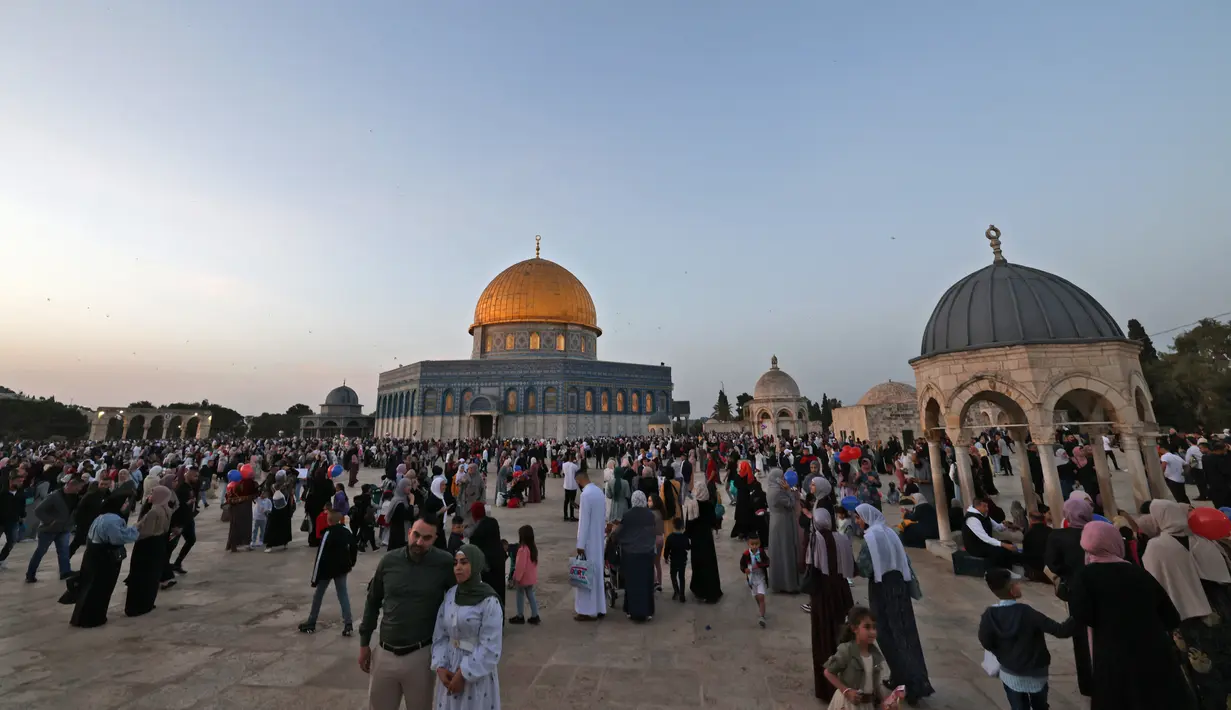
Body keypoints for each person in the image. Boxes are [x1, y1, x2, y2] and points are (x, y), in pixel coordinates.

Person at [1071, 520, 1194, 710]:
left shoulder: (1084, 577)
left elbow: (1081, 615)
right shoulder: (1137, 573)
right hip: (1152, 653)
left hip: (1112, 655)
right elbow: (1170, 616)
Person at [359, 515, 456, 710]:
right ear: (409, 532)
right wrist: (364, 643)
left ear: (435, 539)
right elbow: (372, 602)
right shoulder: (389, 561)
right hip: (385, 653)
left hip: (421, 655)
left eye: (426, 538)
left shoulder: (444, 563)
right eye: (416, 535)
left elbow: (460, 601)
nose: (419, 542)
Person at [1141, 500, 1231, 708]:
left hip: (1184, 616)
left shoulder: (1156, 547)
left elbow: (1154, 584)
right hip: (1219, 612)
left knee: (1198, 671)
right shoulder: (1204, 541)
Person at [853, 504, 934, 705]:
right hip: (900, 588)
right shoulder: (891, 532)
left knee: (888, 634)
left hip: (882, 589)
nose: (857, 521)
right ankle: (911, 680)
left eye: (858, 518)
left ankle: (909, 682)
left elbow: (865, 568)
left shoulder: (870, 539)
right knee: (906, 634)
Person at [978, 567, 1075, 710]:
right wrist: (1078, 615)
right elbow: (1060, 631)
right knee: (1039, 705)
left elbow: (986, 641)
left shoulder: (989, 615)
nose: (1019, 585)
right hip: (1036, 672)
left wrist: (1004, 654)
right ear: (1012, 590)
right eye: (1016, 583)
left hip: (1009, 672)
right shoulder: (1027, 613)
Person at [430, 544, 504, 710]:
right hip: (449, 668)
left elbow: (491, 647)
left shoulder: (489, 601)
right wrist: (440, 666)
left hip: (476, 673)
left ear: (476, 564)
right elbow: (440, 634)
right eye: (455, 563)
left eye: (464, 562)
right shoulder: (451, 595)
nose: (458, 568)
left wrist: (464, 674)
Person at [1043, 497, 1093, 697]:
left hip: (1075, 590)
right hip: (1103, 586)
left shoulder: (1058, 537)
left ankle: (1087, 683)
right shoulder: (1097, 530)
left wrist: (1068, 573)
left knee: (1080, 635)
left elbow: (1052, 564)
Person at [70, 493, 139, 627]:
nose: (126, 505)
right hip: (104, 558)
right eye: (124, 503)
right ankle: (93, 618)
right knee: (101, 588)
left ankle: (82, 618)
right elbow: (117, 538)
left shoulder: (101, 517)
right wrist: (135, 530)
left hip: (93, 555)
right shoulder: (114, 519)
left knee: (89, 587)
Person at [806, 508, 855, 699]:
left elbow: (811, 568)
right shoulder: (841, 538)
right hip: (842, 592)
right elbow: (852, 566)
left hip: (822, 597)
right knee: (842, 635)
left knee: (822, 638)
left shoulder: (815, 540)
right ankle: (849, 681)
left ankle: (827, 689)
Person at [822, 607, 900, 710]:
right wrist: (846, 691)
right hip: (847, 704)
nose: (872, 632)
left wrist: (884, 703)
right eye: (867, 627)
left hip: (867, 705)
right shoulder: (847, 651)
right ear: (855, 629)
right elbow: (828, 672)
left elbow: (874, 685)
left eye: (874, 627)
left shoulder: (875, 654)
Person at [300, 509, 357, 635]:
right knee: (343, 595)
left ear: (328, 521)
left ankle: (311, 622)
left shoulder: (328, 533)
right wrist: (351, 563)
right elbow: (354, 547)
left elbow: (320, 556)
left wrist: (315, 578)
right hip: (342, 568)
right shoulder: (346, 532)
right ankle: (348, 624)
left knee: (318, 595)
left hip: (327, 569)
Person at [124, 485, 175, 617]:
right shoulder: (167, 509)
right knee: (152, 576)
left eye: (152, 493)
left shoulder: (154, 511)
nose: (149, 496)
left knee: (140, 575)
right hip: (159, 544)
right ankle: (147, 602)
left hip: (147, 546)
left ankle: (137, 606)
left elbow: (146, 532)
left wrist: (135, 529)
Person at [26, 477, 82, 583]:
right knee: (40, 552)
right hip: (48, 530)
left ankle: (65, 572)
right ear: (70, 486)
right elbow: (38, 510)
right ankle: (30, 574)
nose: (79, 490)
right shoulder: (54, 496)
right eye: (77, 488)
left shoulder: (75, 497)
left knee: (64, 551)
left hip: (64, 529)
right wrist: (50, 521)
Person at [614, 491, 657, 621]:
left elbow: (619, 533)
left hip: (631, 553)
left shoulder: (628, 515)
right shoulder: (650, 515)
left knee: (631, 583)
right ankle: (647, 611)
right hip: (647, 553)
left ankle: (631, 610)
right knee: (646, 582)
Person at [573, 468, 607, 621]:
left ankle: (587, 610)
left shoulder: (586, 495)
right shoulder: (599, 492)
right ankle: (599, 607)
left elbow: (584, 522)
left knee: (585, 576)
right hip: (598, 539)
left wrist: (580, 543)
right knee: (598, 573)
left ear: (579, 481)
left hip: (588, 542)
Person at [684, 475, 723, 604]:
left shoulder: (692, 505)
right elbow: (713, 522)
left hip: (696, 540)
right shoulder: (709, 505)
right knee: (709, 565)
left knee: (698, 565)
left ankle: (699, 590)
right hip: (707, 538)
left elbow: (688, 525)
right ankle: (712, 591)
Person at [766, 468, 801, 594]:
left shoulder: (771, 489)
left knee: (778, 551)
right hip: (783, 523)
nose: (784, 480)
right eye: (781, 477)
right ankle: (788, 583)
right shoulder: (778, 492)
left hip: (776, 521)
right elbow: (791, 503)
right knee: (785, 551)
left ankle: (779, 582)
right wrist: (788, 490)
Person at [467, 502, 507, 614]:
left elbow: (474, 549)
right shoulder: (493, 522)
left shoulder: (476, 531)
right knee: (499, 590)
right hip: (498, 560)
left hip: (486, 566)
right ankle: (500, 618)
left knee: (487, 594)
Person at [963, 497, 1020, 569]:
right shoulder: (972, 519)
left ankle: (1010, 566)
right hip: (975, 546)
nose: (987, 509)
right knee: (999, 550)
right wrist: (1003, 545)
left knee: (1008, 543)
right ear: (978, 507)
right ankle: (1001, 570)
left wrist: (1006, 525)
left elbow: (998, 527)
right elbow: (985, 538)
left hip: (984, 543)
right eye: (984, 506)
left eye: (987, 506)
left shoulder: (984, 515)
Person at [170, 468, 201, 570]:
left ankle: (178, 562)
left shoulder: (190, 486)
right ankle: (165, 567)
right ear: (188, 476)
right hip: (180, 520)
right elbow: (178, 505)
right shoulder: (182, 488)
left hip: (188, 519)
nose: (197, 478)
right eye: (195, 476)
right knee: (172, 544)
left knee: (191, 540)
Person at [509, 525, 540, 625]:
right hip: (530, 578)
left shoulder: (522, 550)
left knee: (520, 595)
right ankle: (535, 615)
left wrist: (515, 577)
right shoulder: (533, 549)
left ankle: (520, 615)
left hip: (523, 578)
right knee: (531, 595)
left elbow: (519, 566)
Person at [739, 533, 771, 628]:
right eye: (752, 544)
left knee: (761, 596)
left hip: (761, 577)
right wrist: (745, 570)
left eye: (756, 544)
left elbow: (767, 562)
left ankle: (762, 616)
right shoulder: (746, 554)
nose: (754, 546)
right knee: (757, 596)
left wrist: (761, 564)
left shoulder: (761, 553)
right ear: (748, 544)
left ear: (759, 543)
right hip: (752, 578)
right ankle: (761, 609)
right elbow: (742, 565)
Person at [225, 476, 258, 552]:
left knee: (234, 527)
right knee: (244, 527)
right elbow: (254, 494)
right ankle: (244, 545)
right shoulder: (246, 483)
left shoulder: (231, 484)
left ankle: (233, 546)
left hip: (233, 508)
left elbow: (228, 497)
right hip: (243, 508)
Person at [664, 518, 689, 602]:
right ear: (682, 526)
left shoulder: (670, 538)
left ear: (673, 526)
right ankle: (682, 594)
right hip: (683, 560)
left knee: (673, 575)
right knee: (682, 577)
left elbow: (667, 549)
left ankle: (676, 591)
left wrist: (666, 557)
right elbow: (688, 547)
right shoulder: (685, 537)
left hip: (674, 560)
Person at [386, 477, 415, 551]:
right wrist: (412, 502)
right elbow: (408, 516)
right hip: (399, 533)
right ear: (402, 487)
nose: (410, 487)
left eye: (410, 485)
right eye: (407, 485)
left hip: (397, 531)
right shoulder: (399, 503)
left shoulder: (401, 498)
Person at [562, 453, 579, 521]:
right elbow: (578, 472)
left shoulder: (564, 465)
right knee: (572, 501)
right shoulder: (575, 466)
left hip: (566, 485)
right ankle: (571, 516)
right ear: (573, 459)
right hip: (573, 485)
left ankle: (565, 515)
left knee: (566, 501)